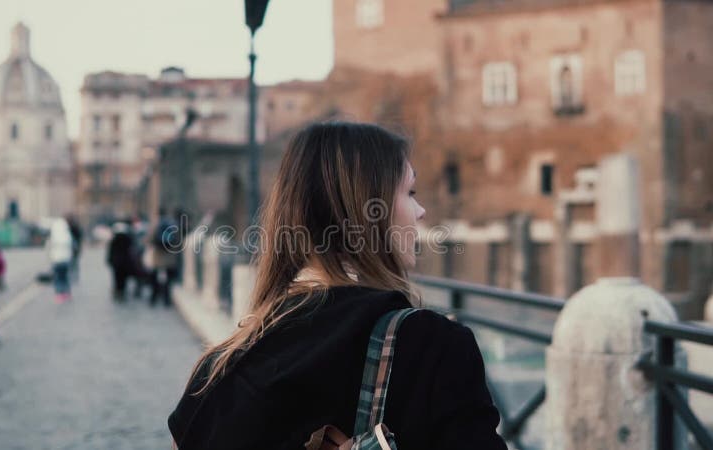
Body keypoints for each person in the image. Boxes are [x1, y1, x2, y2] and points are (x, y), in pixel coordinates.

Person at [167, 122, 507, 449]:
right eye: (410, 192)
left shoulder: (214, 372)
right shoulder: (432, 348)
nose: (420, 211)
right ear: (365, 212)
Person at [46, 217, 74, 303]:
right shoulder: (67, 235)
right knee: (65, 277)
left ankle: (59, 293)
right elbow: (72, 247)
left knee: (58, 278)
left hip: (57, 260)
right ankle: (66, 292)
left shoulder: (53, 236)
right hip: (66, 260)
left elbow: (48, 248)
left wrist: (50, 258)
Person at [106, 222, 134, 300]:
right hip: (125, 262)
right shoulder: (128, 239)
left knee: (117, 278)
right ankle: (122, 291)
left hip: (116, 263)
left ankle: (118, 291)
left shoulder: (114, 240)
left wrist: (109, 261)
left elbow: (110, 252)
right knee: (123, 279)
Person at [66, 214, 83, 282]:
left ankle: (73, 277)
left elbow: (79, 238)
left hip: (73, 248)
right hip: (73, 249)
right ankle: (74, 277)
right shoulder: (73, 227)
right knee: (74, 263)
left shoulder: (71, 228)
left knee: (73, 263)